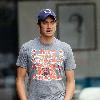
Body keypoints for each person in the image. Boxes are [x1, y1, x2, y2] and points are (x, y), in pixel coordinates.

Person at [16, 9, 76, 100]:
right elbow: (20, 80)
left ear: (56, 24)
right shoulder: (27, 48)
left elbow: (71, 81)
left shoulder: (65, 48)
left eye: (52, 22)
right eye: (45, 23)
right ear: (39, 25)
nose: (49, 26)